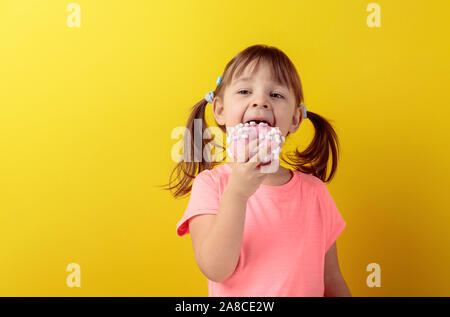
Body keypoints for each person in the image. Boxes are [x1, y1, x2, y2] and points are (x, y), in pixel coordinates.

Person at [163, 44, 351, 297]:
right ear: (219, 110)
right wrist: (237, 194)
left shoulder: (315, 193)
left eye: (276, 95)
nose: (260, 101)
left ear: (295, 119)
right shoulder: (210, 185)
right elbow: (215, 268)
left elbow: (332, 279)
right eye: (244, 91)